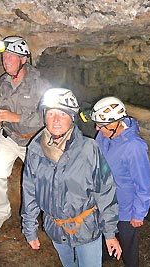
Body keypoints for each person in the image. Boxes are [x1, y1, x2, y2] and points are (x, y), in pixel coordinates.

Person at [21, 88, 122, 267]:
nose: (56, 119)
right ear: (44, 116)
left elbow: (105, 191)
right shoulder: (35, 150)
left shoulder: (89, 149)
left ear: (72, 117)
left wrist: (110, 233)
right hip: (56, 228)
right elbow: (29, 191)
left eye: (62, 113)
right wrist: (30, 229)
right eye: (51, 113)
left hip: (87, 228)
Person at [0, 36, 52, 233]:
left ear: (23, 59)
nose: (6, 60)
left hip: (34, 140)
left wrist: (16, 117)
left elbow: (49, 115)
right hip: (9, 137)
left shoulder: (40, 83)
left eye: (11, 56)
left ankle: (49, 215)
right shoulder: (2, 82)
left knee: (42, 180)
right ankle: (2, 213)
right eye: (4, 56)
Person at [90, 96, 150, 267]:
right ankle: (106, 255)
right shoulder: (104, 135)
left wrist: (138, 213)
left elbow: (143, 183)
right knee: (105, 229)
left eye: (101, 126)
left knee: (127, 240)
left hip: (125, 207)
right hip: (105, 201)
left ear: (115, 124)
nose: (96, 128)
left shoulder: (134, 147)